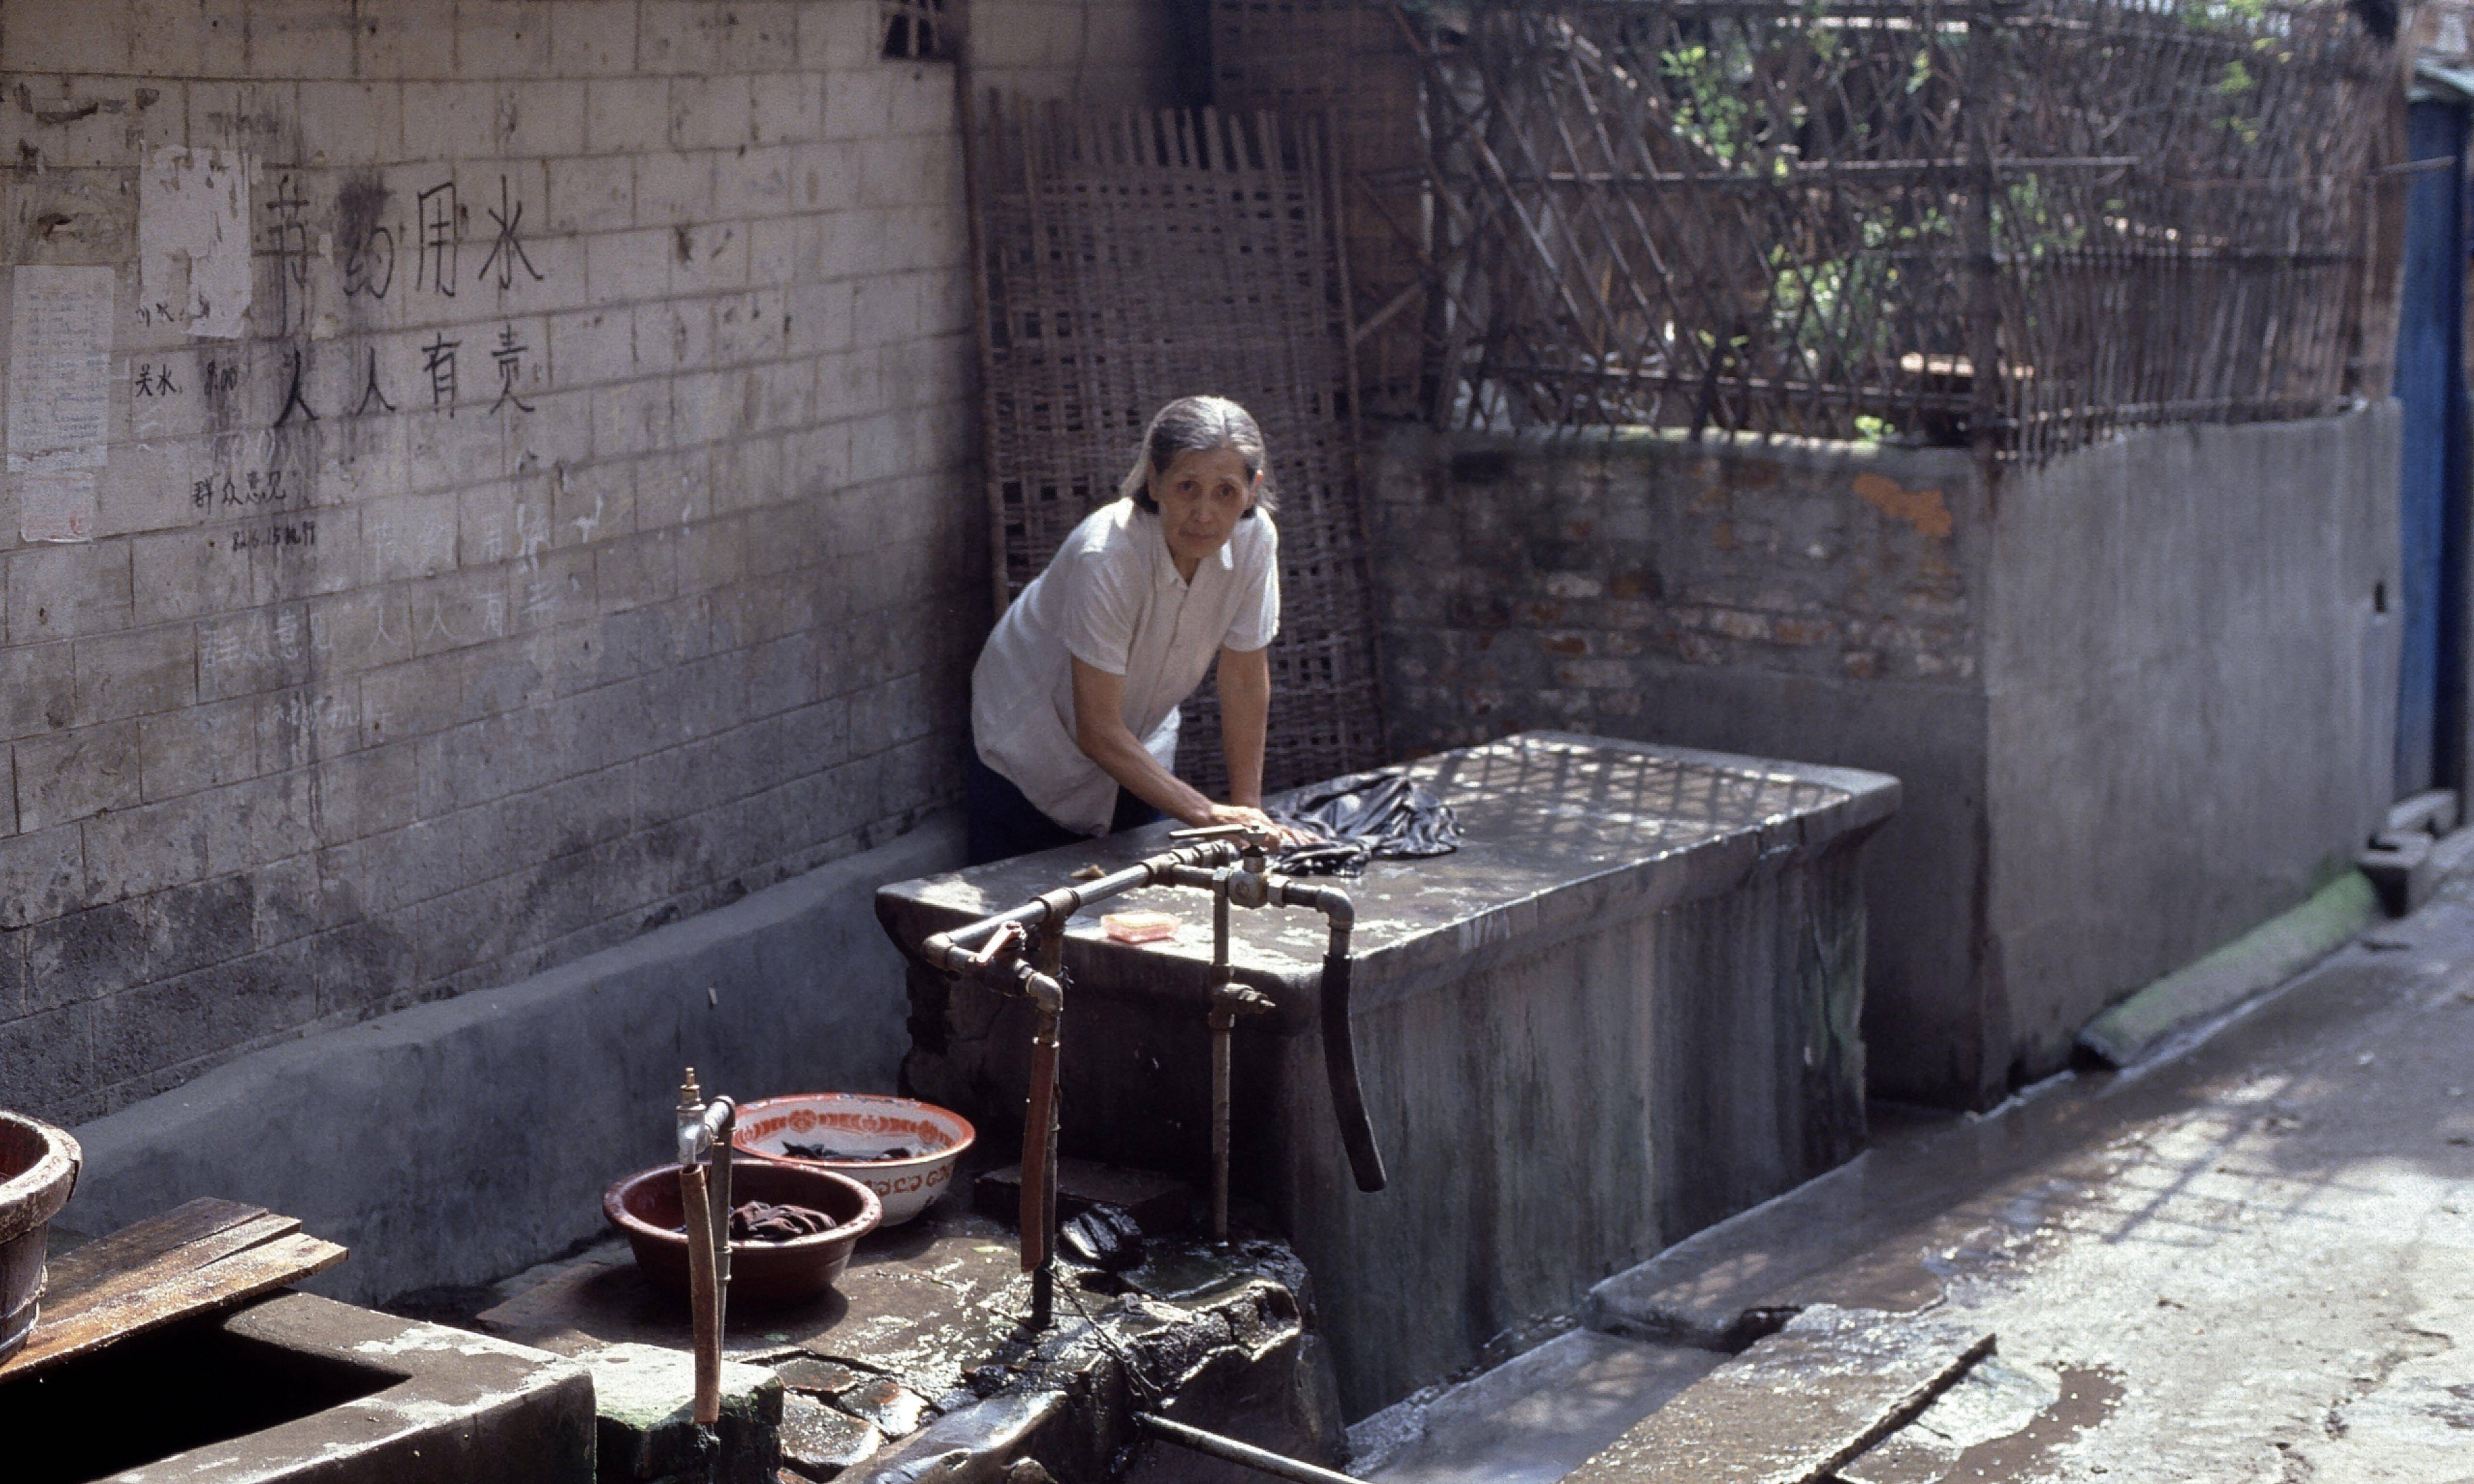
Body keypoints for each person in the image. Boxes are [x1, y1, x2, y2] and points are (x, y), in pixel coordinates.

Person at [966, 396, 1307, 866]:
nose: (1204, 514)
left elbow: (1245, 679)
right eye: (1187, 487)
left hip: (1137, 749)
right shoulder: (1107, 554)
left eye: (1225, 491)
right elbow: (1097, 729)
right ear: (1154, 479)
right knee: (1027, 921)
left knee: (1136, 917)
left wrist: (1248, 816)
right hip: (1031, 749)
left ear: (1253, 490)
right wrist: (1210, 815)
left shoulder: (1255, 539)